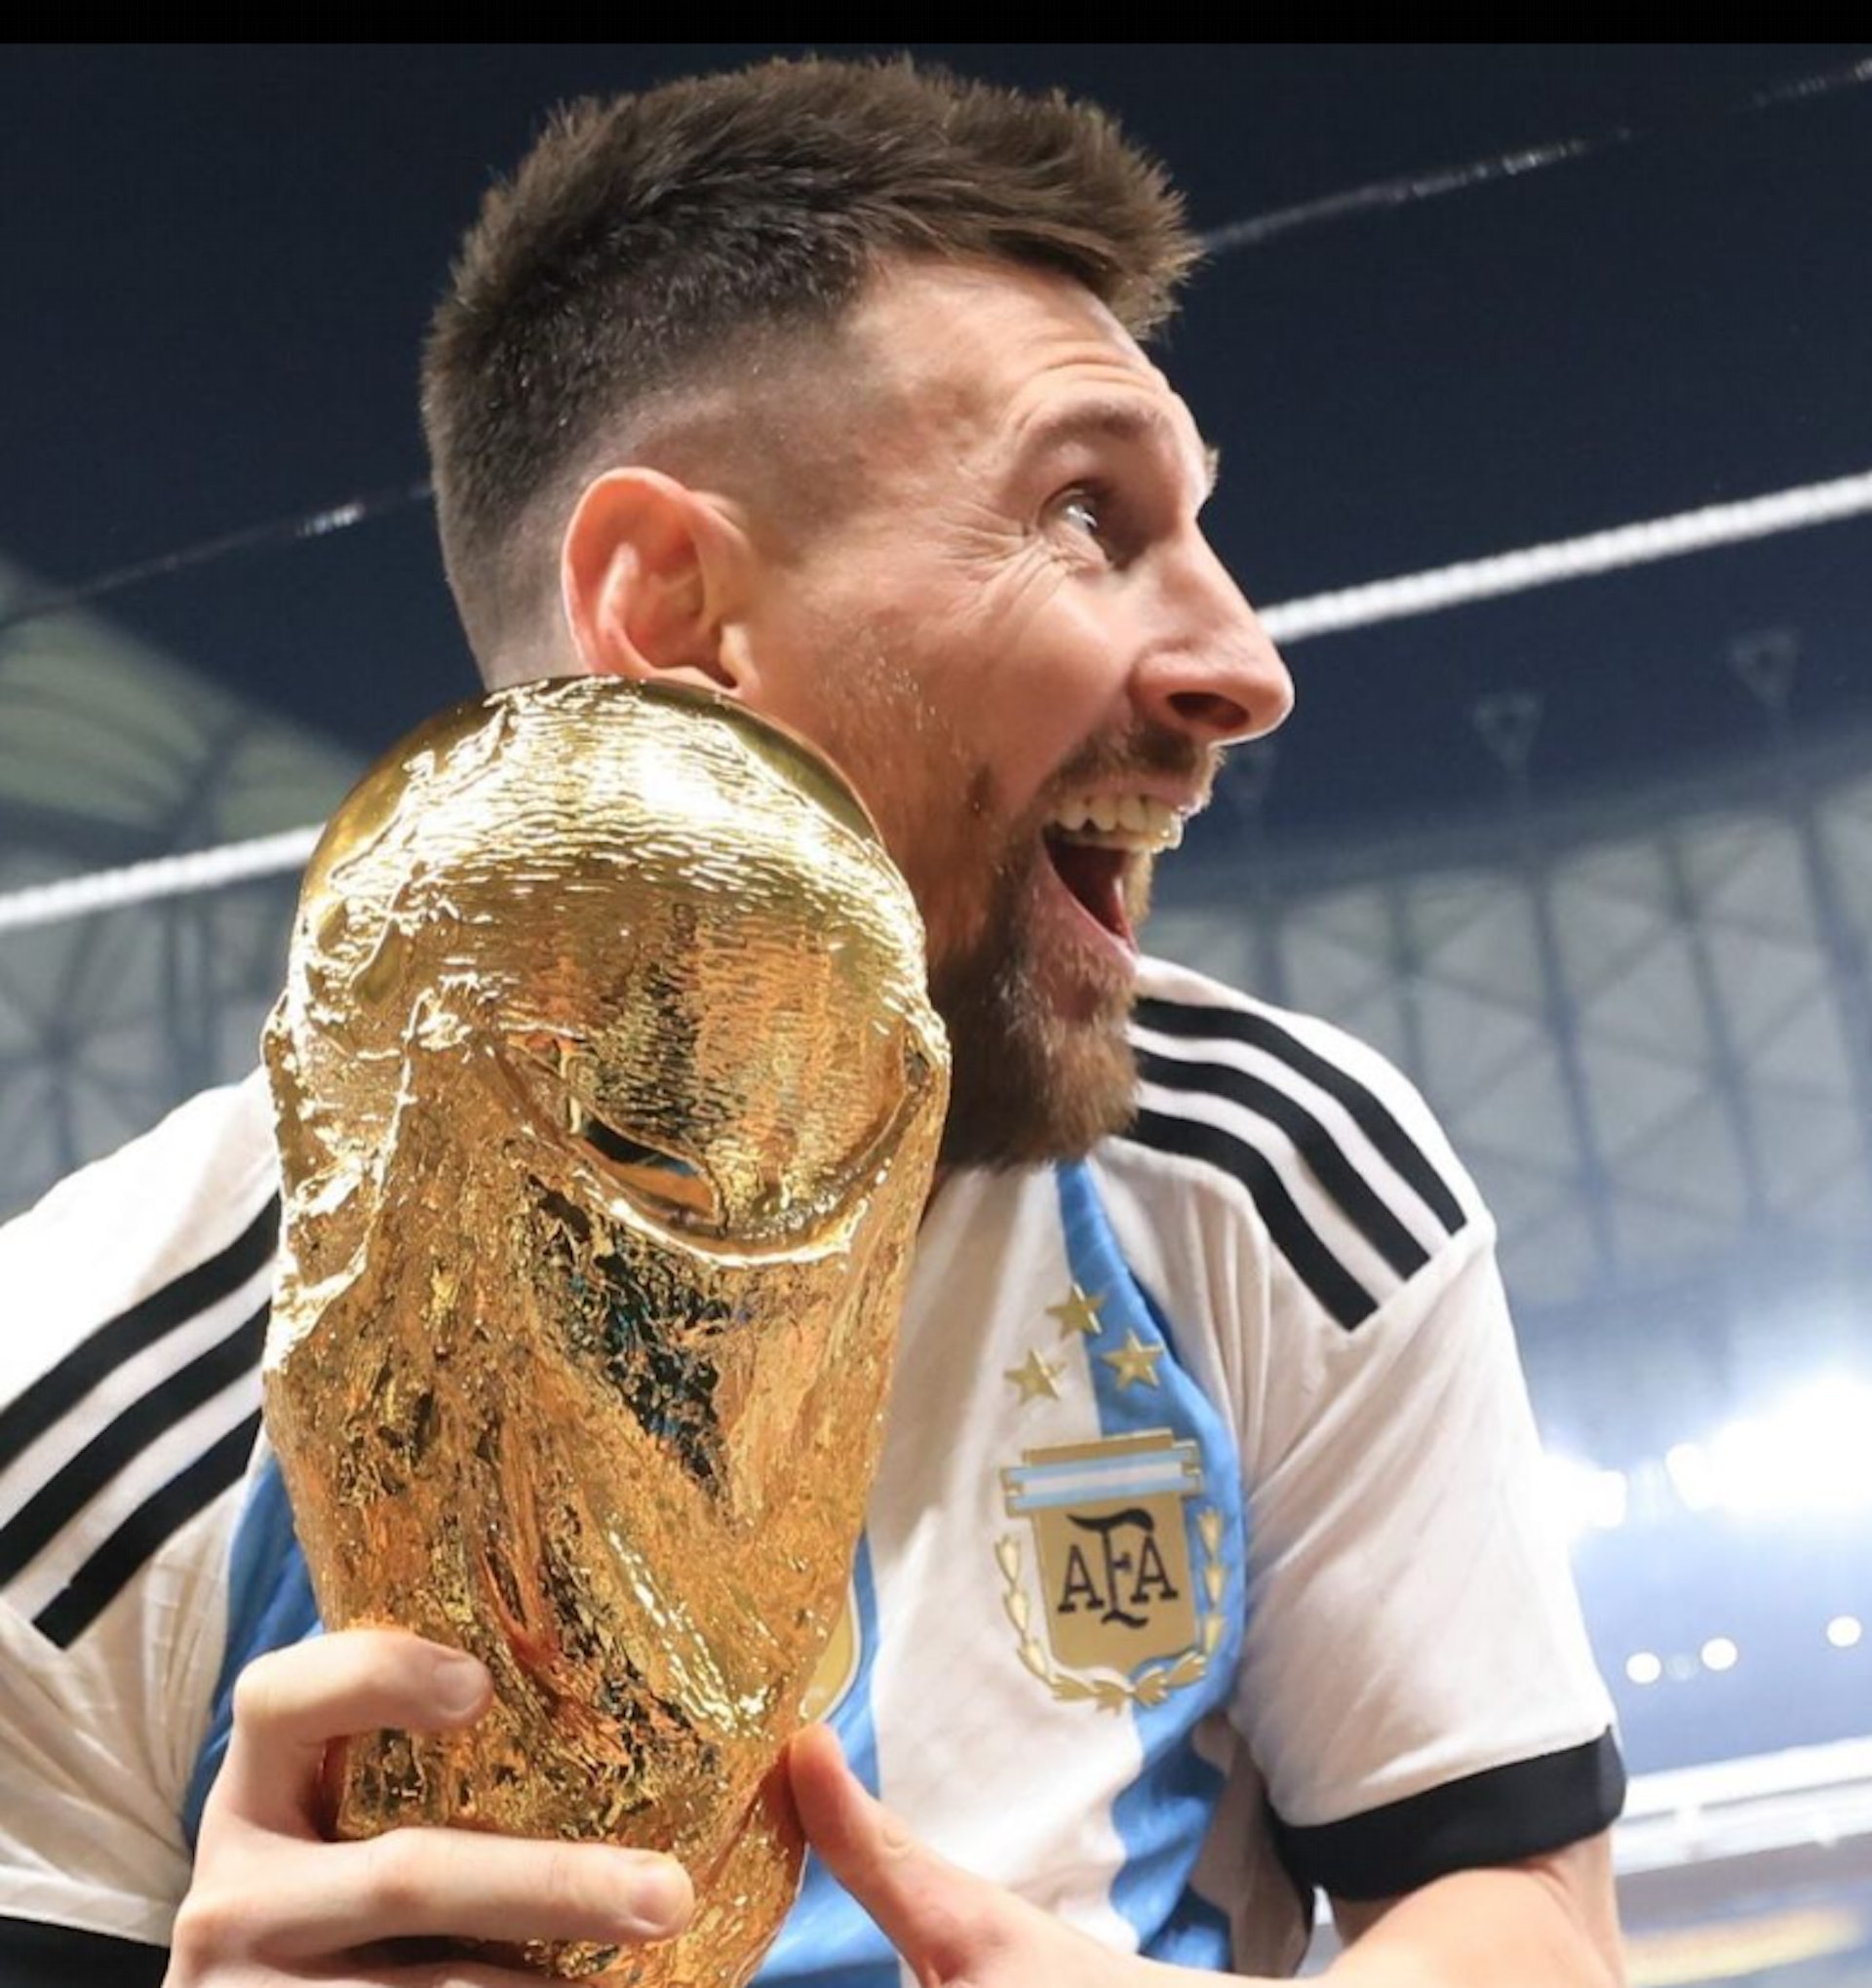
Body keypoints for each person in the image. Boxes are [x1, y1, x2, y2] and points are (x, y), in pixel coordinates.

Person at [0, 56, 1627, 1988]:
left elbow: (1531, 1909)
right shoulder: (74, 1398)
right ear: (673, 612)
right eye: (1087, 515)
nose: (1245, 664)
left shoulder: (1273, 1174)